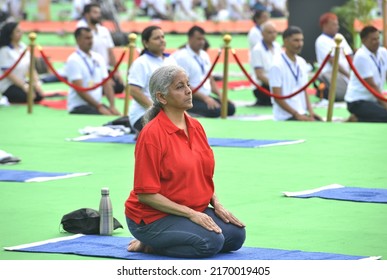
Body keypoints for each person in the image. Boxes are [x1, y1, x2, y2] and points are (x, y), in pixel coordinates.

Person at [124, 64, 246, 258]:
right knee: (210, 241)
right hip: (152, 217)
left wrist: (217, 203)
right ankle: (150, 243)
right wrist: (191, 214)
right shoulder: (152, 135)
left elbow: (200, 174)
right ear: (161, 97)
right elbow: (145, 195)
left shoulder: (196, 127)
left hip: (191, 207)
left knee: (236, 236)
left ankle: (173, 237)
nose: (189, 90)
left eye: (188, 84)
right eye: (179, 87)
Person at [172, 25, 236, 118]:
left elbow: (209, 78)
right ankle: (186, 110)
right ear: (190, 38)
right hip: (187, 96)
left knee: (230, 108)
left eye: (203, 39)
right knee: (215, 111)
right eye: (198, 39)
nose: (202, 42)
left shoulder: (204, 55)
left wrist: (221, 96)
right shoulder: (182, 57)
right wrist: (205, 98)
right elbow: (183, 84)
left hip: (204, 94)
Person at [128, 25, 176, 133]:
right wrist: (157, 110)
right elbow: (134, 91)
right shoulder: (141, 63)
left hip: (168, 112)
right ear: (146, 43)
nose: (161, 40)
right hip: (143, 114)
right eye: (156, 38)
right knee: (169, 132)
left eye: (162, 37)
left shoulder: (171, 60)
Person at [268, 26, 322, 121]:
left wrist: (311, 112)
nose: (300, 44)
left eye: (301, 40)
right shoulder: (277, 65)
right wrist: (296, 115)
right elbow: (277, 97)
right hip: (285, 117)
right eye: (296, 40)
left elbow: (304, 90)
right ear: (285, 42)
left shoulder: (301, 62)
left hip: (301, 112)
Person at [65, 27, 120, 115]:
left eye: (91, 37)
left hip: (95, 105)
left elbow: (107, 83)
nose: (90, 41)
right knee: (108, 117)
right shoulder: (73, 60)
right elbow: (79, 89)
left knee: (117, 116)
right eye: (87, 38)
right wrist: (99, 107)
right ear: (78, 40)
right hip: (79, 106)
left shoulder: (98, 57)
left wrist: (112, 106)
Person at [77, 3, 124, 94]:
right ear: (87, 14)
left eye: (99, 13)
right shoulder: (82, 30)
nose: (98, 15)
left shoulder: (104, 30)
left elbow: (110, 51)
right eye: (95, 12)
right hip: (89, 69)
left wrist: (116, 71)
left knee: (119, 87)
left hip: (105, 68)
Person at [344, 25, 387, 123]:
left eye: (378, 38)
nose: (377, 42)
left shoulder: (383, 52)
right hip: (357, 101)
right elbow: (372, 86)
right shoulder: (361, 56)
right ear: (363, 40)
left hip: (373, 100)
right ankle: (356, 118)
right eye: (373, 39)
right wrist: (385, 104)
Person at [0, 21, 44, 103]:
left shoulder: (22, 46)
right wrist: (24, 86)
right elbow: (8, 73)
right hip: (8, 84)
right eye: (17, 31)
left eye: (21, 31)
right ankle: (6, 98)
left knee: (38, 95)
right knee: (26, 97)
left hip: (22, 80)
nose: (21, 33)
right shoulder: (4, 50)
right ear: (10, 34)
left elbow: (31, 67)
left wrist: (36, 82)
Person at [315, 12, 353, 102]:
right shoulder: (321, 41)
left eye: (337, 24)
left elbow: (350, 55)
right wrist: (349, 76)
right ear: (325, 25)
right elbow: (333, 62)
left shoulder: (340, 38)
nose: (337, 26)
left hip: (346, 75)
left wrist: (355, 73)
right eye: (334, 24)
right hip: (331, 75)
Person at [250, 20, 281, 106]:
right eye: (269, 32)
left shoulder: (277, 46)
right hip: (263, 86)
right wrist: (275, 85)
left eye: (275, 32)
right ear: (262, 34)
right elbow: (259, 75)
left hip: (276, 83)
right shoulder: (257, 50)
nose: (273, 35)